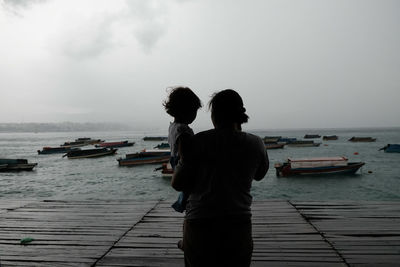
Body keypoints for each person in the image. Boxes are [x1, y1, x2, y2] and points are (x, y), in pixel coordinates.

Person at [172, 89, 269, 267]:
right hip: (238, 225)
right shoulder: (256, 143)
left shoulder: (197, 141)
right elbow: (260, 175)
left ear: (215, 114)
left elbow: (178, 183)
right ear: (241, 114)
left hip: (200, 225)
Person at [163, 86, 202, 213]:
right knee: (189, 188)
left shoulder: (172, 127)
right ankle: (182, 204)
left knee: (186, 189)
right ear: (187, 110)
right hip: (181, 162)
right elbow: (186, 155)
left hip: (174, 160)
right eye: (194, 110)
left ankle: (183, 203)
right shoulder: (183, 130)